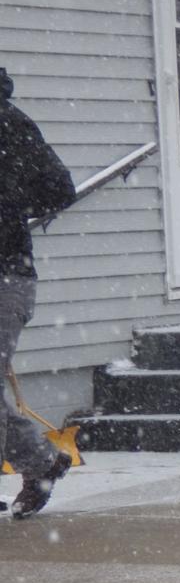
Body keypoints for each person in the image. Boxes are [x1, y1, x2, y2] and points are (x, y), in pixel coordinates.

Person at [0, 66, 76, 518]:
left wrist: (9, 211)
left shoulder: (10, 123)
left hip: (6, 273)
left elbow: (59, 188)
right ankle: (42, 462)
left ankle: (41, 462)